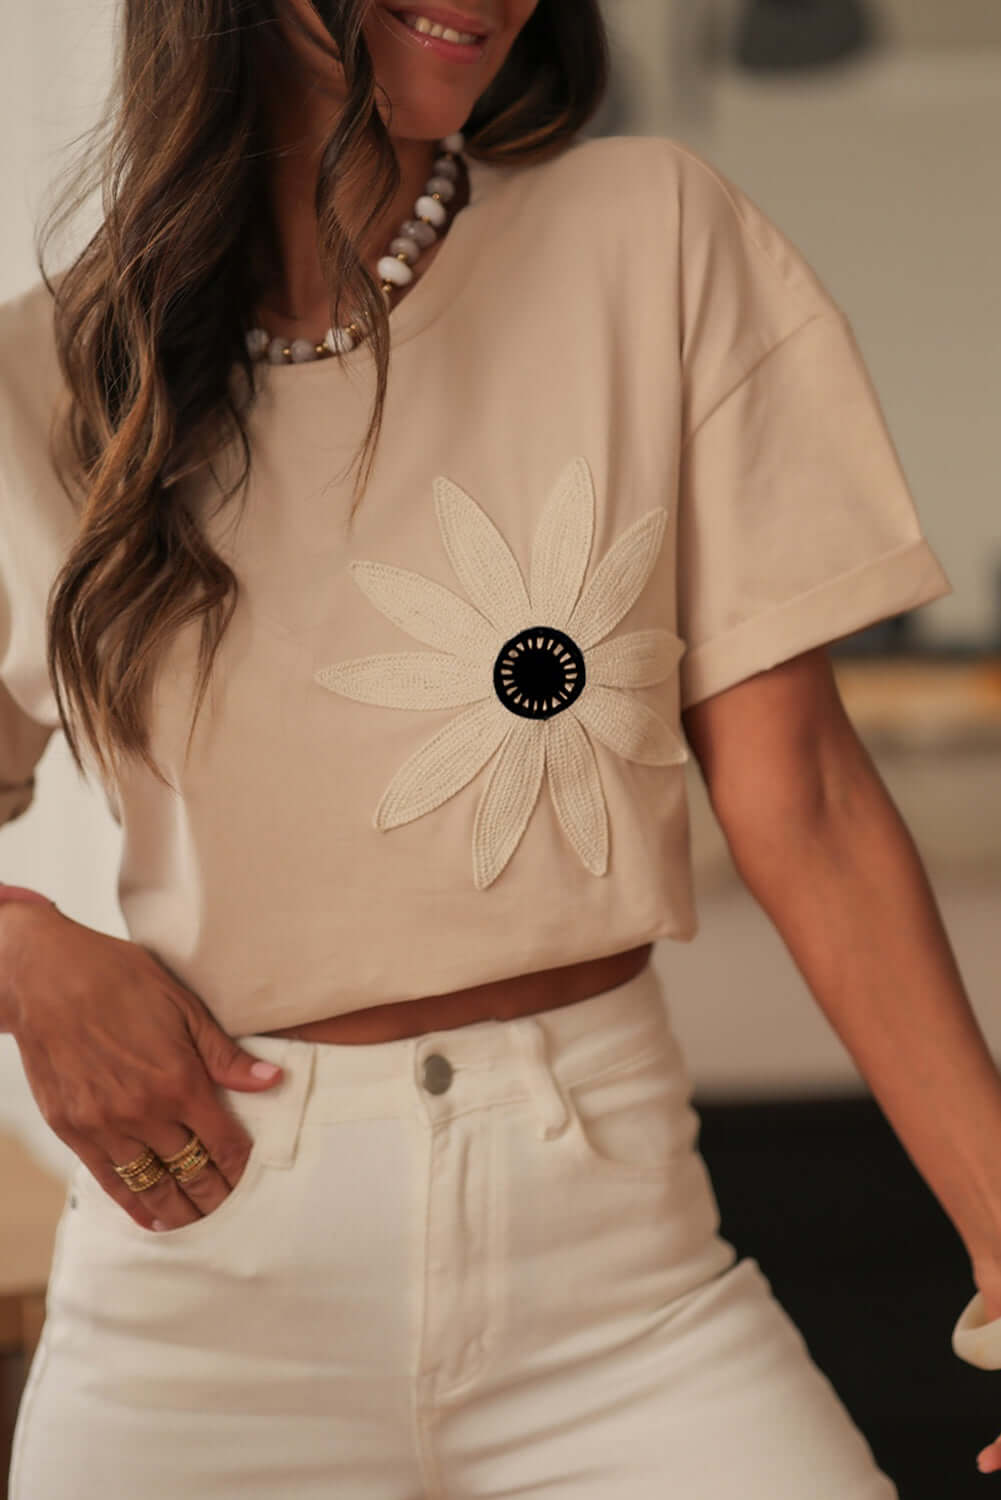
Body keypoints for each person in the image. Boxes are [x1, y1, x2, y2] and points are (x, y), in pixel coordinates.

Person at [1, 0, 1000, 1494]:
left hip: (623, 1292)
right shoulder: (44, 375)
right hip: (200, 1310)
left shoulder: (651, 237)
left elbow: (806, 797)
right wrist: (20, 952)